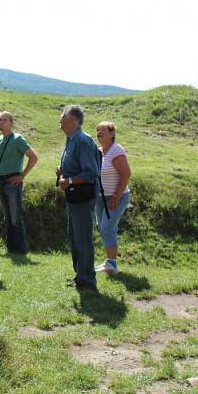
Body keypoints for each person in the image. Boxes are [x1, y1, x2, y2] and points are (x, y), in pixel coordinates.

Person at [55, 104, 99, 291]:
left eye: (63, 115)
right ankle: (80, 276)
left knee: (82, 238)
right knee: (74, 237)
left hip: (82, 197)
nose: (59, 118)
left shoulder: (82, 140)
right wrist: (64, 171)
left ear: (73, 120)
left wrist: (70, 180)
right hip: (73, 197)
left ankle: (88, 279)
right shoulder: (71, 139)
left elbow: (91, 172)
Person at [0, 111, 38, 254]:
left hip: (13, 180)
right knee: (7, 216)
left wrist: (22, 175)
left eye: (5, 120)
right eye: (0, 119)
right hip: (1, 180)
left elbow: (33, 157)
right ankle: (11, 248)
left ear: (11, 122)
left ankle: (20, 249)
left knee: (15, 216)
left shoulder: (18, 139)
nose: (1, 122)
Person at [94, 121, 131, 275]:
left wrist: (115, 197)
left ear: (112, 133)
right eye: (97, 130)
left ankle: (112, 264)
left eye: (103, 130)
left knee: (107, 227)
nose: (99, 133)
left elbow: (126, 174)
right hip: (100, 198)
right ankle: (109, 262)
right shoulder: (98, 151)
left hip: (117, 196)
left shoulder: (116, 150)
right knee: (103, 227)